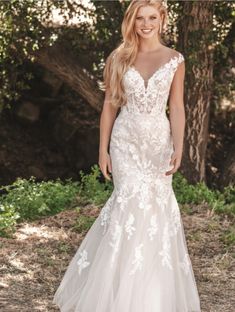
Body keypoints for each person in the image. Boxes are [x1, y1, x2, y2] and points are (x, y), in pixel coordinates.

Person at [53, 1, 201, 311]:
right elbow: (109, 104)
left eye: (152, 17)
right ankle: (114, 291)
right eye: (139, 18)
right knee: (128, 206)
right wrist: (102, 148)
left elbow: (176, 107)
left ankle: (152, 296)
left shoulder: (175, 60)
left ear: (162, 20)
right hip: (125, 143)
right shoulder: (119, 58)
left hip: (158, 144)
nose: (146, 24)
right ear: (131, 22)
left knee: (157, 211)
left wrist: (179, 145)